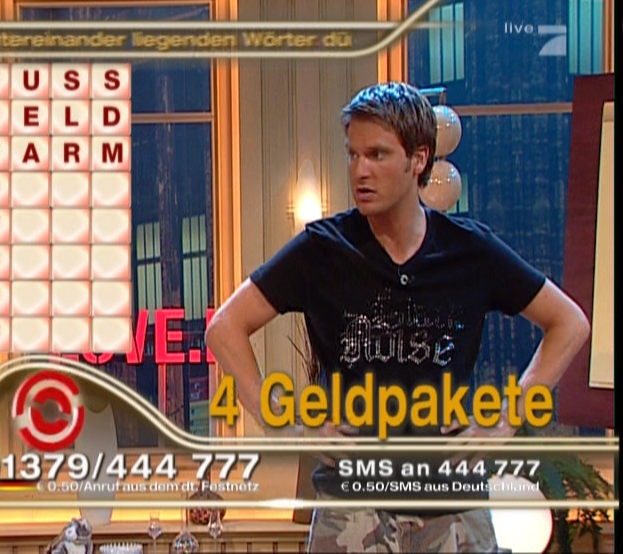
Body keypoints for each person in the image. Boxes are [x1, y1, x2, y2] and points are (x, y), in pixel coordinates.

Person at [205, 82, 590, 553]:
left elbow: (570, 324)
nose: (360, 170)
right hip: (352, 506)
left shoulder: (469, 251)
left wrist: (506, 421)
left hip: (450, 504)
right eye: (353, 155)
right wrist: (286, 425)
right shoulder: (323, 250)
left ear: (419, 159)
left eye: (377, 155)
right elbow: (225, 329)